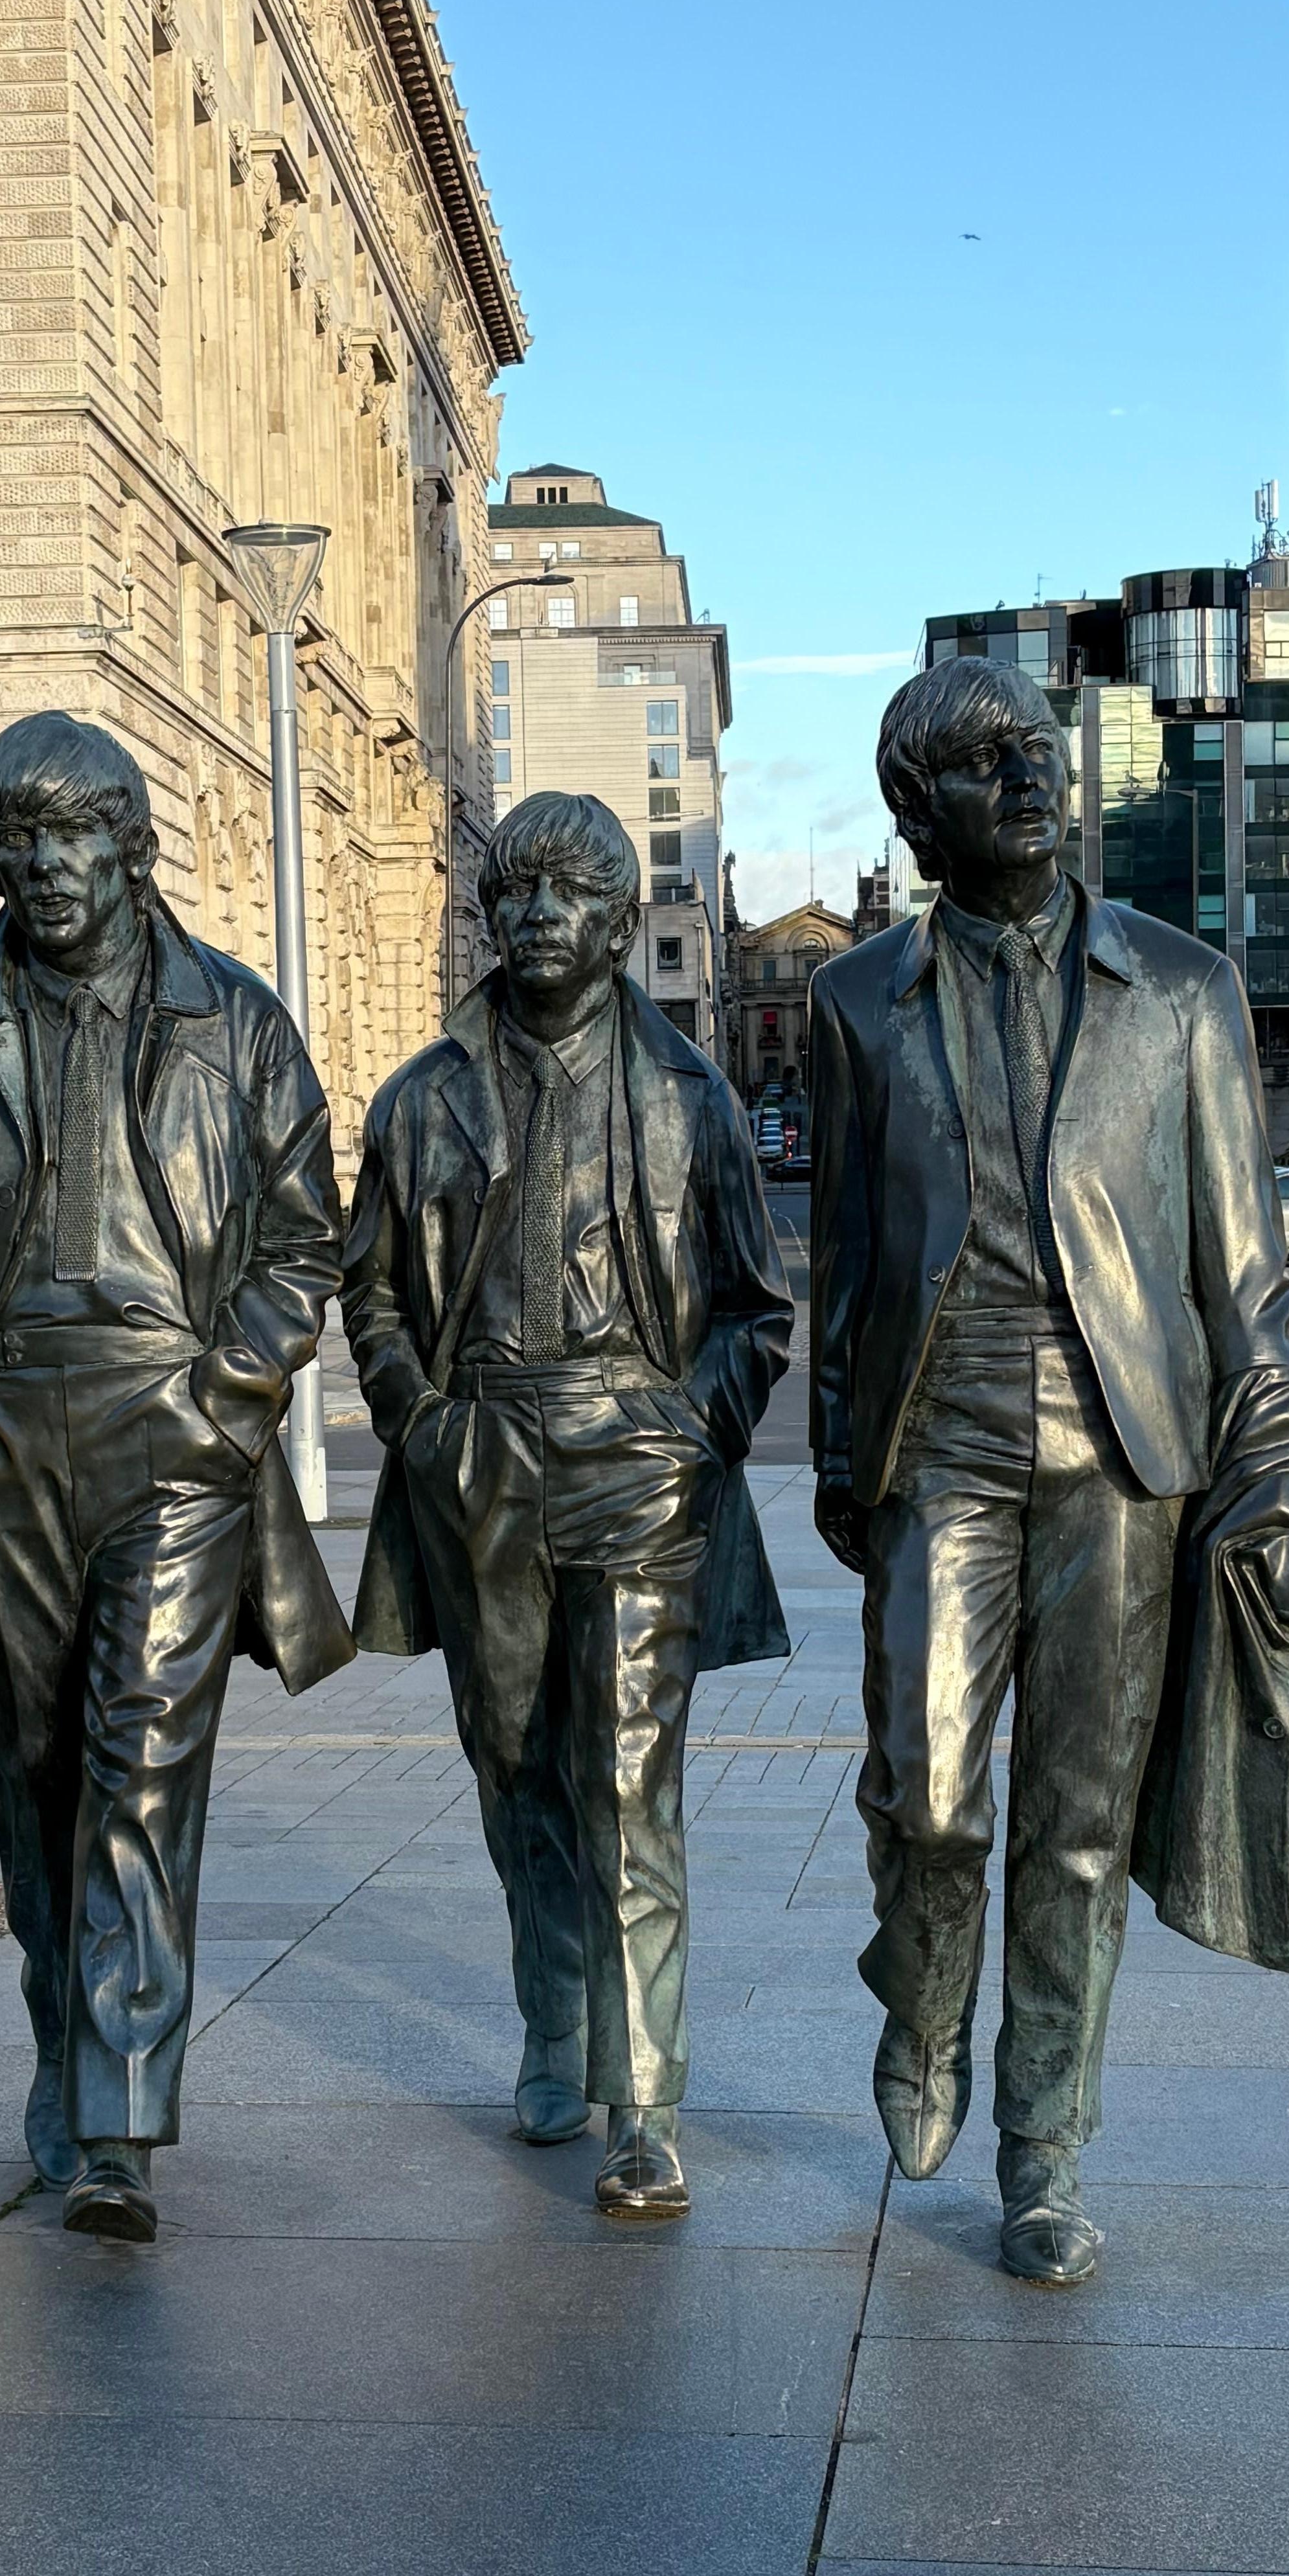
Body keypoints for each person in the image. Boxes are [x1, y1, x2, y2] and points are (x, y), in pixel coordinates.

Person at [808, 655, 1289, 2286]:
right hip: (937, 1424)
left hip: (1126, 1442)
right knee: (932, 1795)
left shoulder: (1183, 987)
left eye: (1036, 748)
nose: (1029, 776)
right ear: (919, 812)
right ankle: (924, 2012)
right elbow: (849, 1253)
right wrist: (835, 1451)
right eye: (981, 762)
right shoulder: (855, 996)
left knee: (1080, 1821)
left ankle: (1046, 2154)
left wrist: (1270, 1456)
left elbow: (1242, 1270)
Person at [0, 714, 352, 2244]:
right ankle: (64, 2053)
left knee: (138, 1766)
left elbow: (301, 1235)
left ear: (133, 845)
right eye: (17, 840)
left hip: (175, 1437)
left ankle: (121, 2117)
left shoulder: (240, 1023)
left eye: (74, 836)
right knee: (41, 1783)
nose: (46, 867)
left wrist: (230, 1396)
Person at [343, 793, 792, 2220]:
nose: (537, 916)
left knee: (629, 1787)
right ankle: (555, 2014)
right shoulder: (423, 1097)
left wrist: (689, 1428)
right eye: (516, 891)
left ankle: (644, 2098)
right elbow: (372, 1292)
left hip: (637, 1462)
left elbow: (753, 1307)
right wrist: (421, 1423)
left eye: (569, 894)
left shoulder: (689, 1098)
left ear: (617, 923)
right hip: (483, 1454)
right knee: (516, 1764)